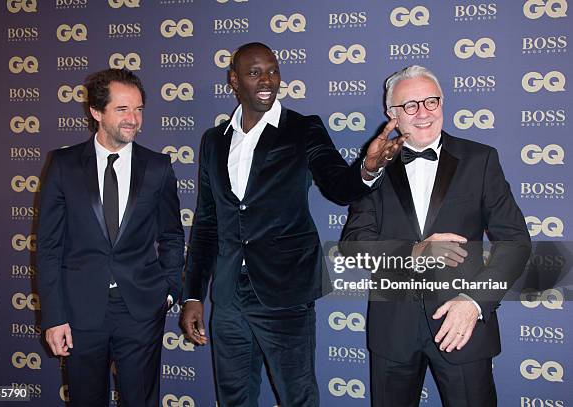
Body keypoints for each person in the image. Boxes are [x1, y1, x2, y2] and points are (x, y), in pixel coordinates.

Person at [179, 42, 405, 407]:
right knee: (234, 398)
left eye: (273, 70)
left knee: (297, 397)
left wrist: (368, 167)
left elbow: (338, 185)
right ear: (234, 81)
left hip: (285, 292)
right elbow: (206, 222)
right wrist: (193, 294)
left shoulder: (303, 128)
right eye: (255, 73)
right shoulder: (213, 141)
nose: (267, 80)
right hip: (227, 296)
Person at [340, 65, 531, 406]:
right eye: (410, 105)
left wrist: (474, 303)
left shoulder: (481, 160)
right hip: (393, 332)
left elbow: (515, 242)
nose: (424, 112)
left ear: (443, 103)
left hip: (464, 329)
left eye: (431, 101)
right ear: (392, 114)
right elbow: (353, 247)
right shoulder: (374, 166)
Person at [37, 68, 185, 407]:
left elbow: (173, 235)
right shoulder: (63, 165)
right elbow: (48, 246)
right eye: (122, 109)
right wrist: (54, 315)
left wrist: (169, 291)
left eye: (139, 109)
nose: (134, 119)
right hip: (80, 310)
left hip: (141, 308)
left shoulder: (158, 166)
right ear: (96, 112)